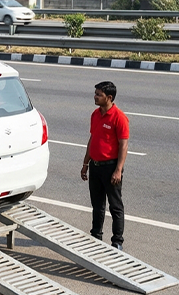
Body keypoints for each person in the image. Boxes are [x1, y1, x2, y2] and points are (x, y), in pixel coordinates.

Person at [81, 81, 129, 251]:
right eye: (95, 93)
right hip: (95, 166)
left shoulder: (119, 117)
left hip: (111, 168)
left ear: (109, 97)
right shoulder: (95, 114)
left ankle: (117, 242)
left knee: (115, 206)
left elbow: (123, 145)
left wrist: (118, 170)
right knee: (97, 205)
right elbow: (92, 139)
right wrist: (85, 163)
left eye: (98, 95)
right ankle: (96, 236)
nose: (95, 97)